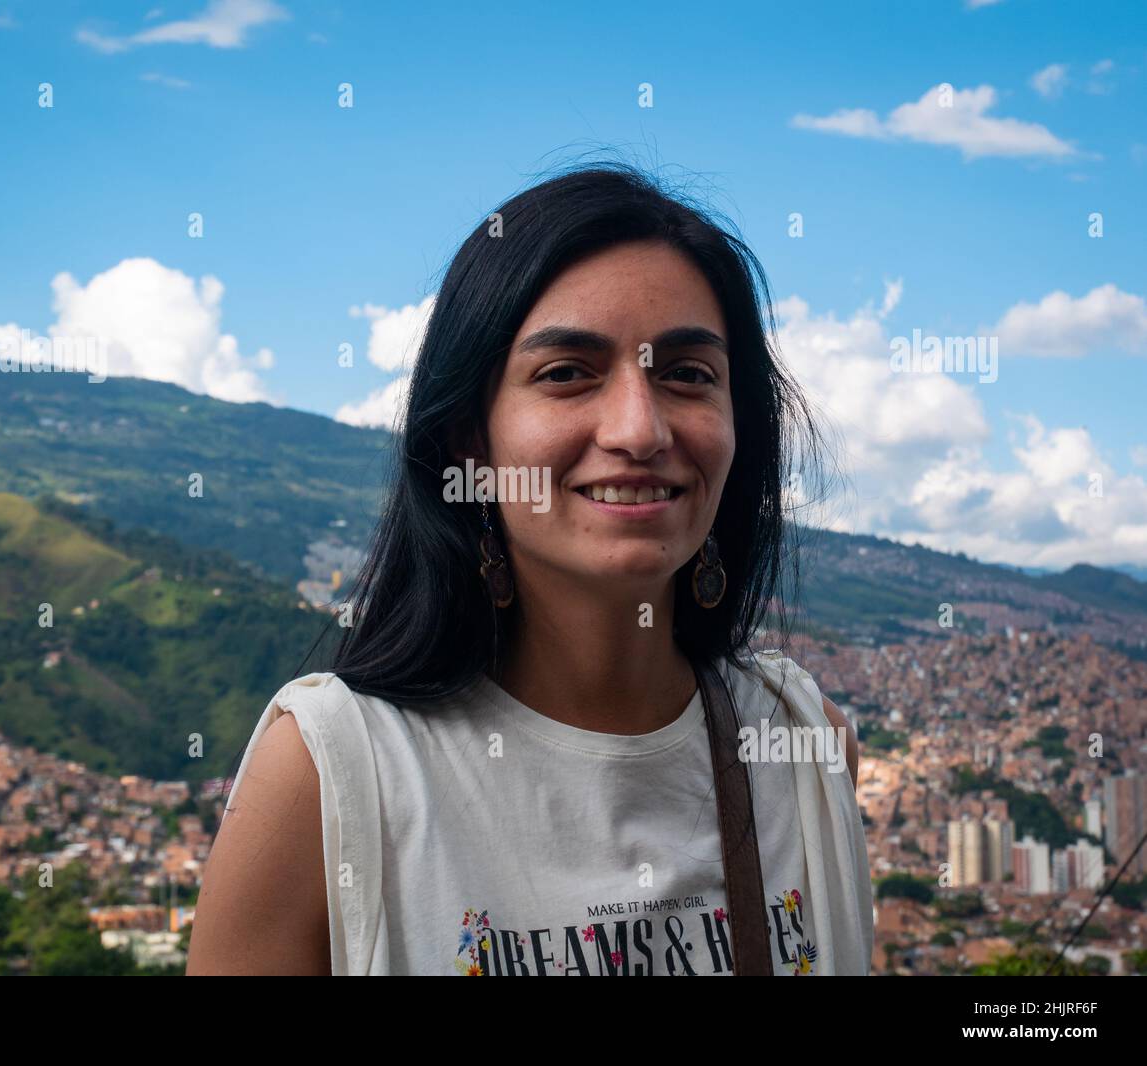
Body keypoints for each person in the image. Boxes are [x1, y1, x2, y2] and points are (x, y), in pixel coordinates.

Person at [187, 161, 874, 976]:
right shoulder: (331, 776)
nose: (639, 428)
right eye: (567, 374)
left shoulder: (801, 743)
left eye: (688, 374)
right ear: (468, 439)